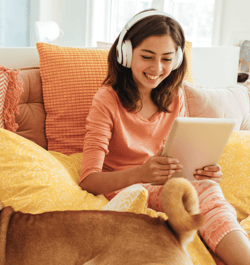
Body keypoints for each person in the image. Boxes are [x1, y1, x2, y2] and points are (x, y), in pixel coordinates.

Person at [79, 9, 250, 265]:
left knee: (208, 186)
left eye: (167, 59)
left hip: (166, 185)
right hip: (127, 188)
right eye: (147, 56)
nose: (157, 68)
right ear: (125, 54)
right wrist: (141, 174)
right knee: (200, 193)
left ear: (178, 59)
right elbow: (88, 181)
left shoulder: (175, 96)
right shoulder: (107, 100)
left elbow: (173, 157)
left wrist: (201, 170)